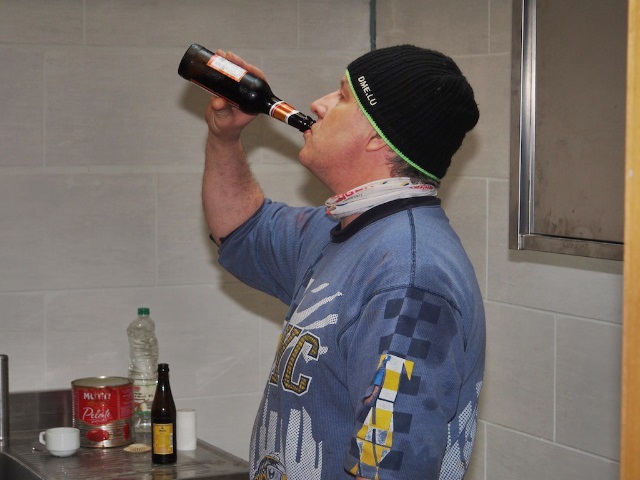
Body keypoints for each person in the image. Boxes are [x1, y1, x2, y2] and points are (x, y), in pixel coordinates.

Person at [201, 44, 485, 480]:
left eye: (343, 97)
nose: (319, 104)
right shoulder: (345, 230)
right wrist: (225, 138)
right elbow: (242, 230)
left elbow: (388, 469)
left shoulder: (410, 279)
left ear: (377, 137)